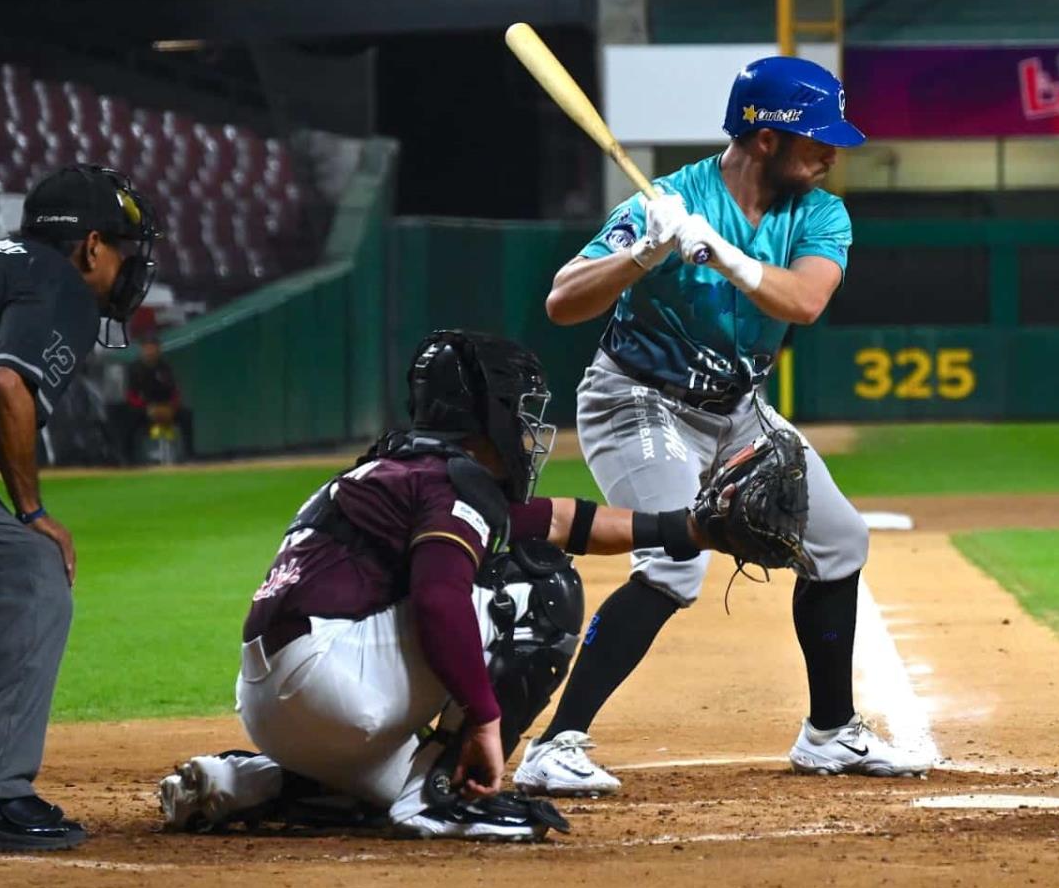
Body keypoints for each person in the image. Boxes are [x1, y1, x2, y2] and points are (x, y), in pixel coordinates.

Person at [158, 330, 762, 842]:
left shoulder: (400, 468)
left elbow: (555, 520)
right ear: (487, 413)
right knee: (541, 586)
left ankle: (252, 780)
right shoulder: (450, 484)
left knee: (530, 555)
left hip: (274, 703)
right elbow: (439, 600)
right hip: (333, 686)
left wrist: (695, 528)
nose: (527, 427)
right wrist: (483, 718)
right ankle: (443, 792)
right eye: (519, 408)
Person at [522, 56, 931, 796]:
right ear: (766, 137)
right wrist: (643, 253)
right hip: (637, 399)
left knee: (841, 541)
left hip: (737, 408)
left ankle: (830, 733)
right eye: (816, 139)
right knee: (676, 558)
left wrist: (728, 256)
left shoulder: (820, 212)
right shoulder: (671, 200)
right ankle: (555, 743)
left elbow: (804, 301)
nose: (830, 154)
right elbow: (561, 300)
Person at [0, 164, 159, 852]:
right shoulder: (58, 280)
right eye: (124, 250)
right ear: (90, 247)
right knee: (27, 571)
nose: (127, 268)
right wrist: (32, 508)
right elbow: (6, 381)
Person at [122, 335, 193, 461]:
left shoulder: (165, 367)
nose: (150, 351)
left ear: (158, 349)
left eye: (153, 348)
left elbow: (175, 392)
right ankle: (128, 459)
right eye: (147, 348)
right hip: (144, 409)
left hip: (165, 407)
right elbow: (130, 396)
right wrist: (147, 408)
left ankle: (189, 455)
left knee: (186, 415)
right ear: (142, 350)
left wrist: (171, 407)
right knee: (128, 419)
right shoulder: (134, 368)